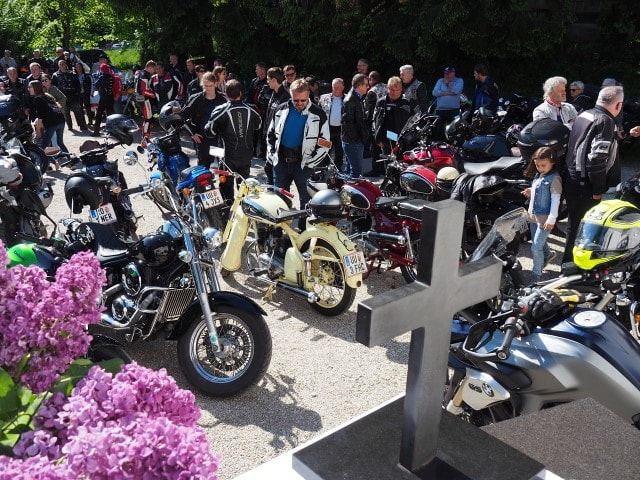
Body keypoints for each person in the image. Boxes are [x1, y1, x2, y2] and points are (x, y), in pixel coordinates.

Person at [561, 85, 624, 263]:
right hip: (585, 186)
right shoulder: (605, 121)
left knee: (573, 227)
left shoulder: (585, 114)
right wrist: (598, 189)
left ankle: (567, 267)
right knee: (583, 231)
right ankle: (571, 270)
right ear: (618, 105)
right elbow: (596, 158)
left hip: (571, 178)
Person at [267, 78, 331, 210]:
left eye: (303, 100)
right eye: (296, 100)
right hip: (281, 163)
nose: (300, 103)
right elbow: (270, 135)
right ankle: (281, 224)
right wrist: (272, 156)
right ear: (291, 95)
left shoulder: (318, 114)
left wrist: (311, 162)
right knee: (278, 202)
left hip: (304, 165)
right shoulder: (280, 110)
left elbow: (325, 144)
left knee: (307, 203)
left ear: (308, 95)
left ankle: (304, 224)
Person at [205, 79, 261, 202]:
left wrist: (220, 130)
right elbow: (258, 126)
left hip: (227, 158)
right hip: (246, 155)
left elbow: (209, 131)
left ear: (226, 94)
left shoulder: (221, 110)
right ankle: (244, 210)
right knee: (244, 188)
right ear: (241, 93)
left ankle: (228, 210)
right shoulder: (252, 109)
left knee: (226, 189)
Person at [521, 147, 561, 284]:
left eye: (543, 165)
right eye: (537, 165)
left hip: (545, 220)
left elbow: (555, 199)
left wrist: (552, 219)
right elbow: (539, 189)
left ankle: (536, 275)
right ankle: (548, 255)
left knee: (536, 247)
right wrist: (530, 190)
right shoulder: (539, 175)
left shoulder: (554, 179)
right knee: (537, 241)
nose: (540, 168)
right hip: (533, 216)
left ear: (552, 163)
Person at [180, 71, 226, 168]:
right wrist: (192, 133)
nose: (208, 88)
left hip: (218, 139)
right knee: (203, 166)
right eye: (205, 86)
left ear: (215, 84)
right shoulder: (196, 99)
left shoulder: (223, 99)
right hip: (202, 138)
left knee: (221, 166)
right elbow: (182, 116)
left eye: (210, 86)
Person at [262, 67, 289, 184]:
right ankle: (272, 186)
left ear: (273, 80)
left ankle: (276, 188)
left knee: (271, 167)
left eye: (268, 79)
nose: (267, 82)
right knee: (268, 167)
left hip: (278, 139)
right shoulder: (273, 93)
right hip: (269, 136)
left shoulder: (285, 97)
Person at [372, 76, 413, 154]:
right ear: (387, 89)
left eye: (397, 90)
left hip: (404, 141)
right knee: (388, 161)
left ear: (401, 89)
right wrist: (377, 137)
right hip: (386, 139)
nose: (394, 93)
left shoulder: (408, 102)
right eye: (392, 90)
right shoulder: (381, 102)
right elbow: (375, 120)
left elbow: (415, 119)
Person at [28, 80, 68, 153]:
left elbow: (40, 116)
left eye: (30, 87)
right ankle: (69, 157)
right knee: (60, 143)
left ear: (35, 88)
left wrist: (38, 130)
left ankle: (41, 159)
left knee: (43, 146)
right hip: (61, 121)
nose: (28, 89)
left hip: (52, 123)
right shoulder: (47, 95)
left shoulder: (37, 99)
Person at [342, 73, 370, 178]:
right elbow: (347, 123)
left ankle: (348, 187)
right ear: (360, 86)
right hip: (353, 141)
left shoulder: (356, 98)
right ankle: (352, 188)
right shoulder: (351, 99)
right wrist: (358, 138)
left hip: (353, 140)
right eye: (366, 85)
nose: (368, 87)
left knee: (351, 170)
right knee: (356, 171)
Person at [362, 71, 386, 176]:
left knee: (374, 147)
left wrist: (367, 125)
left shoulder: (372, 92)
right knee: (385, 145)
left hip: (376, 123)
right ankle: (384, 168)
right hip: (387, 121)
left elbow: (369, 111)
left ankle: (375, 169)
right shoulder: (386, 87)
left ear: (371, 79)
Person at [53, 59, 87, 131]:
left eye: (63, 64)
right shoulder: (55, 75)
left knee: (77, 111)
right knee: (66, 112)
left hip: (73, 95)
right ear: (58, 66)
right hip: (62, 97)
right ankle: (70, 126)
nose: (62, 65)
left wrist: (77, 94)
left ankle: (81, 125)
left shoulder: (72, 73)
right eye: (60, 64)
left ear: (66, 65)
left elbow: (78, 84)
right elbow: (54, 86)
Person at [318, 78, 345, 171]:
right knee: (325, 149)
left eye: (338, 87)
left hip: (341, 129)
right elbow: (318, 113)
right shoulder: (323, 98)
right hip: (327, 129)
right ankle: (322, 169)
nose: (336, 90)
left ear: (343, 87)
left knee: (339, 150)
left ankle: (338, 169)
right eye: (334, 87)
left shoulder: (347, 99)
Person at [432, 66, 464, 139]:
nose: (446, 75)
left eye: (448, 73)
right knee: (438, 130)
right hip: (440, 110)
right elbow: (434, 92)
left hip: (453, 110)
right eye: (445, 73)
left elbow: (457, 91)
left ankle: (452, 144)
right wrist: (449, 93)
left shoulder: (459, 81)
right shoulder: (440, 81)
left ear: (453, 73)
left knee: (453, 131)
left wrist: (448, 84)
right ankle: (437, 143)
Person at [246, 62, 268, 158]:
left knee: (263, 132)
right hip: (254, 110)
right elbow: (249, 95)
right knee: (253, 131)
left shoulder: (268, 82)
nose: (255, 71)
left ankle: (263, 152)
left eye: (257, 69)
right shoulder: (254, 81)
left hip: (264, 111)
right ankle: (252, 151)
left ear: (263, 70)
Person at [136, 60, 157, 143]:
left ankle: (146, 138)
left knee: (150, 119)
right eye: (154, 69)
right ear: (150, 67)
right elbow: (144, 90)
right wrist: (154, 94)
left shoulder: (143, 74)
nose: (154, 71)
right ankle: (145, 140)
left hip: (143, 99)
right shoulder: (144, 75)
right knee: (148, 120)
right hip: (144, 99)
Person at [93, 63, 114, 136]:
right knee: (110, 114)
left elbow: (96, 85)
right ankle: (111, 131)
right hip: (110, 97)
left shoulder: (102, 77)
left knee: (99, 114)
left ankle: (96, 131)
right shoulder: (111, 77)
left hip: (103, 98)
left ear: (101, 69)